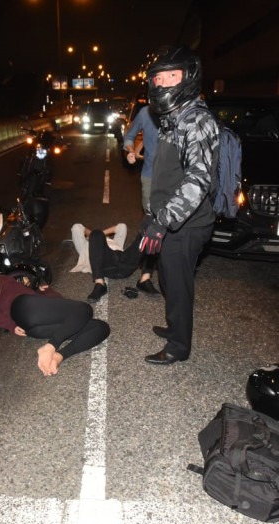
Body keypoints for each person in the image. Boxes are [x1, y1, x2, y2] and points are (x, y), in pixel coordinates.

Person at [139, 45, 219, 366]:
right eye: (158, 78)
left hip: (187, 224)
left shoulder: (196, 121)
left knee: (179, 283)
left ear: (188, 77)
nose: (163, 85)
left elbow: (197, 180)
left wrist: (164, 220)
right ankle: (176, 326)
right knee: (168, 279)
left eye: (171, 76)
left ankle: (178, 346)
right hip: (169, 219)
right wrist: (151, 214)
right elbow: (169, 173)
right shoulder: (175, 118)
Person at [0, 275, 110, 376]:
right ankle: (51, 346)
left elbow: (60, 304)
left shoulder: (33, 292)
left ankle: (59, 356)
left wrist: (47, 291)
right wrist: (10, 325)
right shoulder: (0, 280)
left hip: (35, 328)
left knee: (101, 327)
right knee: (85, 309)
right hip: (22, 307)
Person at [70, 223, 161, 302]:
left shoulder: (115, 242)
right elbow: (76, 227)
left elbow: (121, 226)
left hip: (125, 262)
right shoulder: (86, 246)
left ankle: (144, 280)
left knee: (149, 233)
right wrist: (93, 236)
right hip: (106, 265)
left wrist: (101, 235)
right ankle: (100, 283)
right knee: (96, 233)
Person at [123, 103, 159, 213]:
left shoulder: (178, 111)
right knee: (149, 215)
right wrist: (131, 151)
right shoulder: (145, 113)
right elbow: (129, 136)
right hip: (149, 174)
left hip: (173, 177)